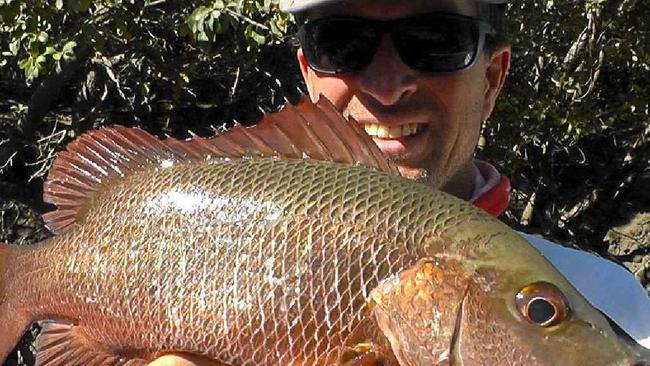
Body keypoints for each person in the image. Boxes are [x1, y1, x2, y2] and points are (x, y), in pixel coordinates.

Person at [151, 0, 650, 364]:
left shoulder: (618, 310)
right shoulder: (187, 221)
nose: (387, 86)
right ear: (308, 71)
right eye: (343, 43)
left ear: (494, 76)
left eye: (436, 41)